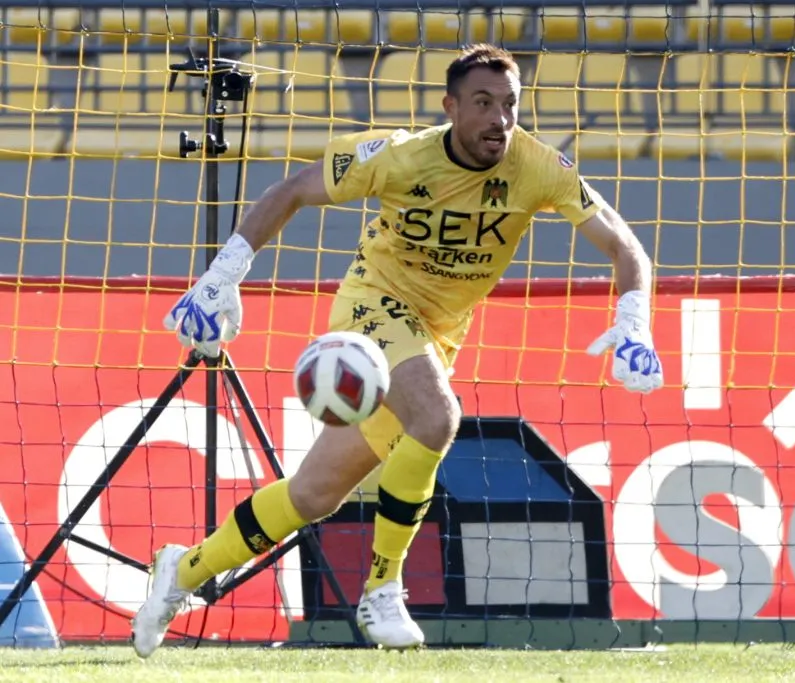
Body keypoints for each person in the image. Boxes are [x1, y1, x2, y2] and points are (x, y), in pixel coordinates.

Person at [130, 43, 663, 657]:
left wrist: (634, 320)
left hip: (436, 333)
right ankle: (383, 589)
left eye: (511, 105)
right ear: (452, 107)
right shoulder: (400, 157)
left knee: (313, 495)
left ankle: (181, 571)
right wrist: (223, 275)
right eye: (484, 104)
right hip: (373, 304)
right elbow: (294, 191)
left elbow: (626, 247)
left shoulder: (539, 167)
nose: (500, 119)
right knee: (438, 417)